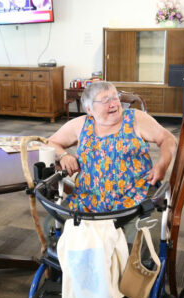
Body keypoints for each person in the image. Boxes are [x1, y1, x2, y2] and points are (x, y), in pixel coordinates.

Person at [47, 81, 177, 214]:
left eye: (115, 97)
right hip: (87, 201)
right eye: (105, 101)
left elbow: (168, 139)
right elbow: (49, 143)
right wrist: (64, 155)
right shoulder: (81, 124)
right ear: (89, 109)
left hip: (135, 199)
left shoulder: (134, 118)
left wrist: (162, 164)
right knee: (60, 227)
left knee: (117, 234)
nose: (114, 104)